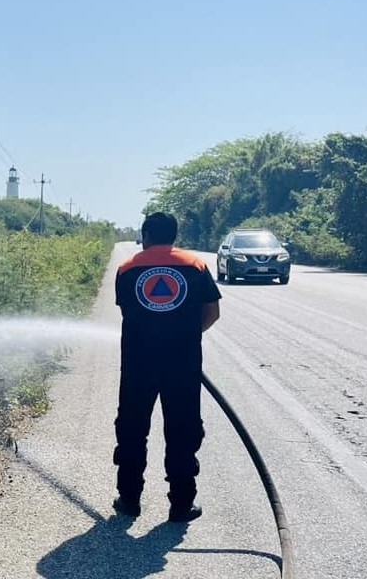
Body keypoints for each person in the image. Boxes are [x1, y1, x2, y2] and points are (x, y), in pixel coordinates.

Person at [112, 211, 221, 522]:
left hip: (137, 365)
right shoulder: (196, 266)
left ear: (145, 235)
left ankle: (129, 499)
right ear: (174, 236)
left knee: (132, 430)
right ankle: (181, 504)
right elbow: (212, 312)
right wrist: (185, 336)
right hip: (183, 365)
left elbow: (128, 310)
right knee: (182, 431)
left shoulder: (127, 269)